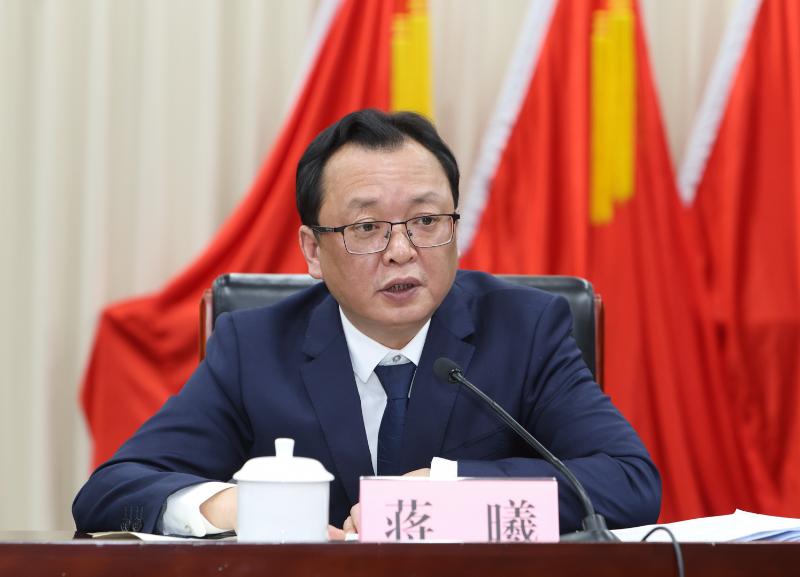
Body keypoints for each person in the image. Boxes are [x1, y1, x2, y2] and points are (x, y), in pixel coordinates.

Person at [73, 109, 660, 537]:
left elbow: (628, 482)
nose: (402, 251)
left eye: (426, 221)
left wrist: (449, 494)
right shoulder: (254, 348)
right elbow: (112, 490)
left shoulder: (525, 329)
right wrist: (234, 507)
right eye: (366, 228)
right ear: (312, 250)